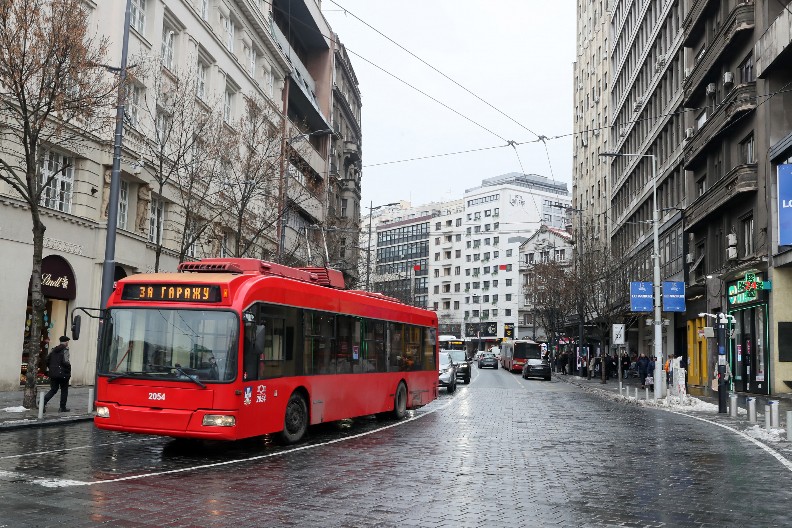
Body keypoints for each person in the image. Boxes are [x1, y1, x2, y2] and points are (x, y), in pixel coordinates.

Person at [44, 336, 72, 412]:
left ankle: (43, 401)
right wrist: (68, 368)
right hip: (63, 374)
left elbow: (47, 359)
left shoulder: (53, 349)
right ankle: (62, 407)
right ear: (66, 342)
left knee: (53, 389)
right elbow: (66, 362)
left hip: (53, 373)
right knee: (64, 390)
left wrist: (51, 368)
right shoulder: (65, 350)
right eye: (67, 342)